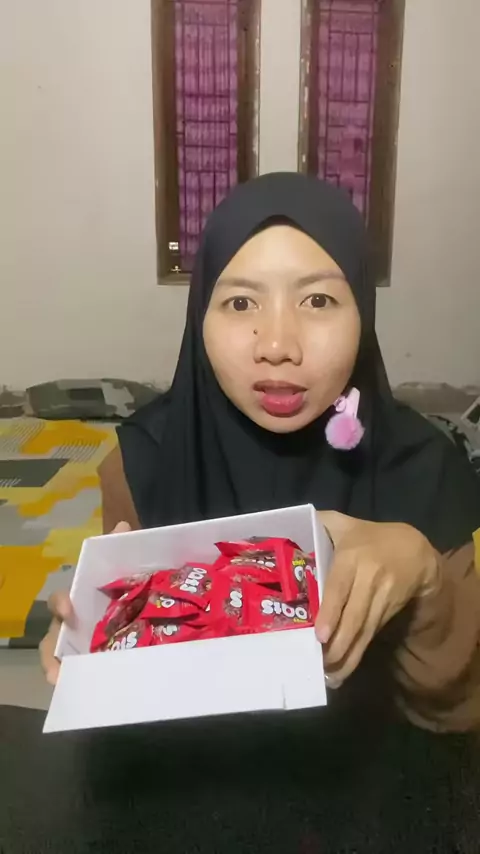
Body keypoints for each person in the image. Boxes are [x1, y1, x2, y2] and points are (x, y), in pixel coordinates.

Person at [40, 173, 480, 732]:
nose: (277, 346)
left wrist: (426, 580)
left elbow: (459, 713)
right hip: (191, 771)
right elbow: (135, 694)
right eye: (241, 302)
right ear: (200, 315)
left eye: (318, 300)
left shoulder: (426, 469)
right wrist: (93, 640)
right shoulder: (141, 461)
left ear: (363, 315)